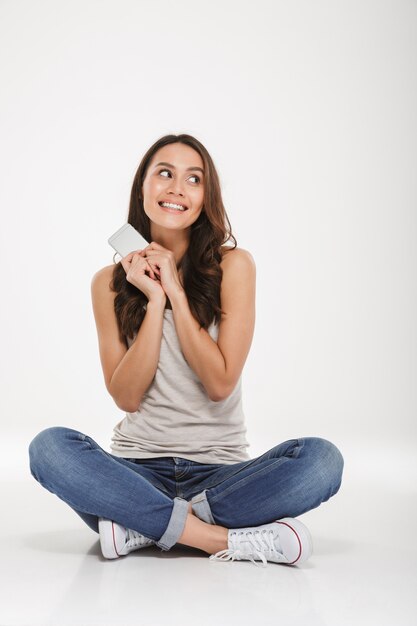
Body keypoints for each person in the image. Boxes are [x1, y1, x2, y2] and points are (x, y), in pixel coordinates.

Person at [28, 133, 344, 568]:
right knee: (48, 448)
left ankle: (143, 526)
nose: (177, 187)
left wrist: (175, 290)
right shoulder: (108, 283)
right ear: (143, 188)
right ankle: (216, 538)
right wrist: (153, 302)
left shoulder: (234, 266)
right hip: (135, 471)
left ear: (204, 197)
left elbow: (219, 382)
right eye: (164, 173)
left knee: (322, 460)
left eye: (193, 179)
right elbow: (127, 397)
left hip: (221, 475)